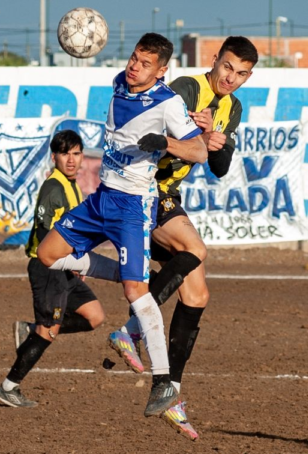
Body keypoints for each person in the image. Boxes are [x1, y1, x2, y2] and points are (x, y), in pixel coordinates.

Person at [36, 33, 207, 418]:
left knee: (136, 293)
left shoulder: (169, 103)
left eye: (145, 64)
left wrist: (165, 142)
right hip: (100, 198)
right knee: (46, 255)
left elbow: (198, 151)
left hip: (132, 207)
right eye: (133, 58)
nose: (134, 67)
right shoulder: (119, 81)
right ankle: (129, 274)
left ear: (162, 70)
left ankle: (163, 382)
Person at [108, 36, 258, 440]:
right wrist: (193, 134)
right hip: (141, 188)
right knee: (194, 249)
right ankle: (131, 330)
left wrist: (217, 143)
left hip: (166, 195)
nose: (231, 78)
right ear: (215, 61)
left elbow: (219, 167)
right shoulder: (189, 88)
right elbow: (149, 130)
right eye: (227, 67)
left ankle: (169, 392)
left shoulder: (233, 107)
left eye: (241, 74)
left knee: (197, 296)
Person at [0, 130, 106, 408]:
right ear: (54, 156)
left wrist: (75, 258)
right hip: (48, 268)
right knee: (49, 331)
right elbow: (46, 239)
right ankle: (9, 387)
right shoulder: (53, 187)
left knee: (94, 316)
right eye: (65, 153)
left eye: (76, 153)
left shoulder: (72, 185)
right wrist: (71, 258)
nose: (71, 159)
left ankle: (30, 329)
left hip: (65, 266)